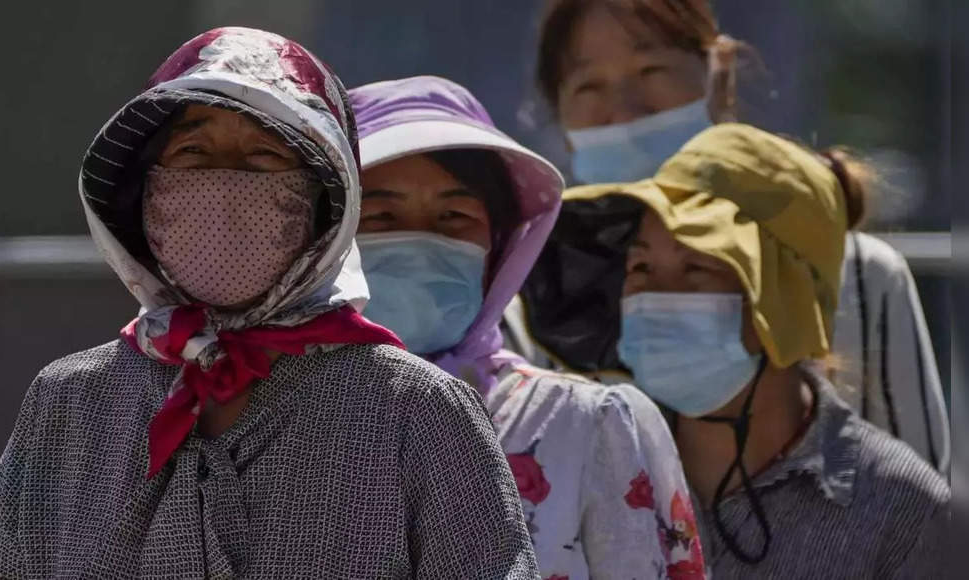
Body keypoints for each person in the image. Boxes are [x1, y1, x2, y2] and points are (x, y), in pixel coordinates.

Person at [0, 28, 539, 579]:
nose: (224, 186)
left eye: (263, 156)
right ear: (142, 194)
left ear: (326, 201)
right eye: (194, 152)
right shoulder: (69, 403)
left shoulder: (418, 412)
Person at [506, 0, 950, 473]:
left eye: (651, 68)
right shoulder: (531, 295)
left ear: (719, 78)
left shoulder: (858, 273)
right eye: (589, 84)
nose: (623, 107)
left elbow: (917, 506)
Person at [349, 75, 704, 580]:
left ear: (500, 248)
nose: (422, 239)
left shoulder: (587, 426)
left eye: (454, 216)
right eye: (383, 216)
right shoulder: (267, 422)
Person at [573, 122, 949, 576]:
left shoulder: (900, 509)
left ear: (787, 300)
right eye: (641, 265)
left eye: (697, 267)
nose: (655, 294)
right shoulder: (586, 466)